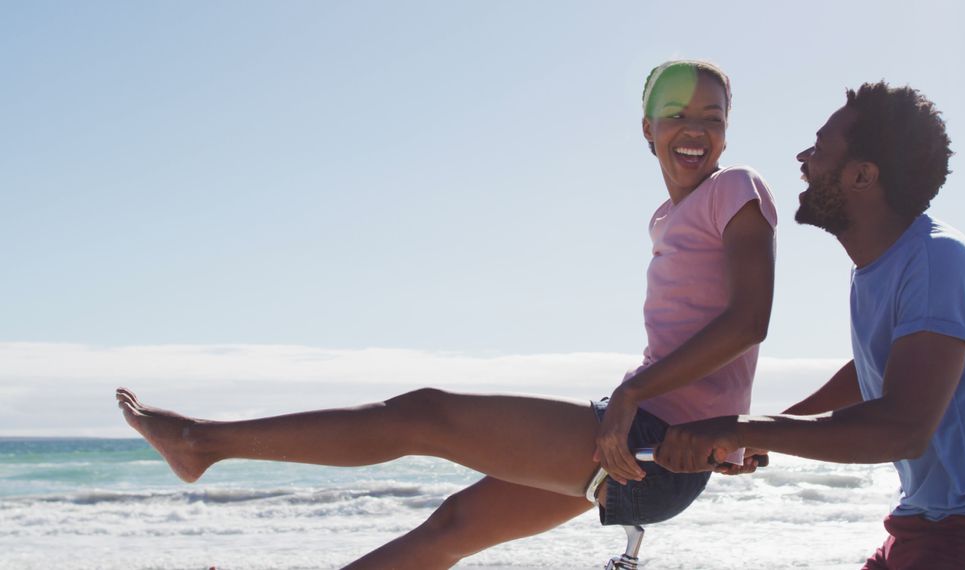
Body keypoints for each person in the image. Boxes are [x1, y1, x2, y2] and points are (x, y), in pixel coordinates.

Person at [115, 59, 778, 569]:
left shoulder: (736, 190)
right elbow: (714, 349)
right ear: (647, 129)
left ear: (728, 131)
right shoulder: (668, 218)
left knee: (424, 413)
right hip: (646, 435)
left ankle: (202, 443)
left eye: (713, 117)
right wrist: (728, 430)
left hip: (653, 441)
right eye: (676, 114)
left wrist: (653, 401)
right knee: (453, 527)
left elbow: (749, 322)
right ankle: (202, 446)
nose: (695, 130)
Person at [654, 81, 965, 569]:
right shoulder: (881, 264)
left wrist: (738, 426)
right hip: (928, 526)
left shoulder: (937, 260)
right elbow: (875, 370)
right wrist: (760, 434)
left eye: (821, 148)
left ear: (862, 176)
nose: (803, 158)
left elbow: (902, 429)